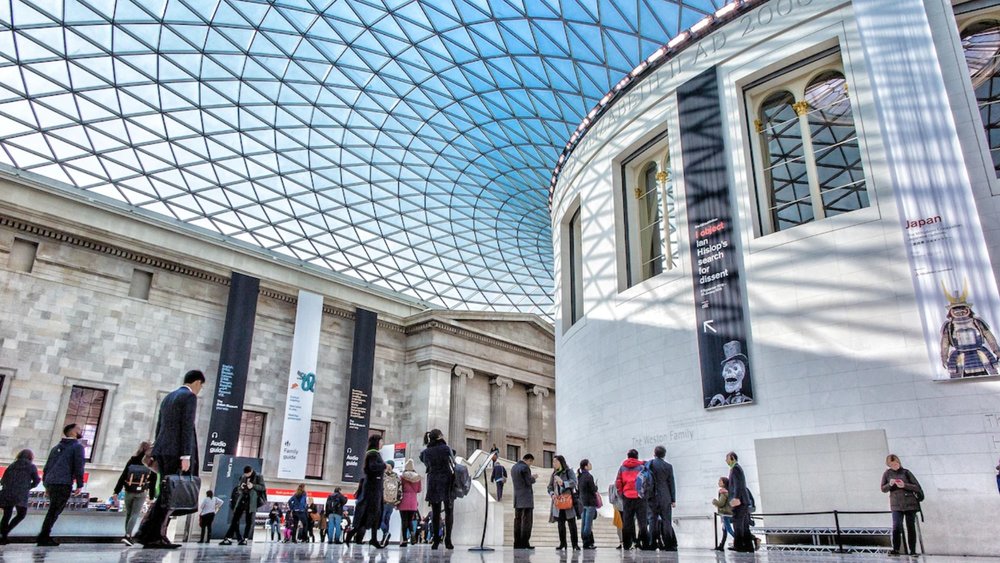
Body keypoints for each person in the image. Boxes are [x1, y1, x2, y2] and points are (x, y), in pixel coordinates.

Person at [135, 369, 204, 549]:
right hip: (176, 453)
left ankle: (152, 534)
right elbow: (187, 426)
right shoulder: (189, 397)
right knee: (169, 495)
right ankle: (150, 534)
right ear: (197, 382)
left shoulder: (169, 397)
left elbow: (160, 426)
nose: (200, 390)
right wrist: (186, 455)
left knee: (166, 493)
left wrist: (157, 448)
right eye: (201, 386)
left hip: (163, 450)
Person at [36, 423, 86, 547]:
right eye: (79, 429)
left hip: (51, 482)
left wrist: (46, 483)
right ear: (72, 431)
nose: (81, 431)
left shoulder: (56, 448)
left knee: (52, 509)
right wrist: (80, 484)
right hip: (63, 482)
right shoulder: (77, 447)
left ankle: (44, 535)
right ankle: (43, 536)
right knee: (55, 510)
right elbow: (79, 466)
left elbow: (47, 466)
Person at [113, 441, 154, 546]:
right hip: (142, 492)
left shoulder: (132, 459)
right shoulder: (150, 462)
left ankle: (128, 535)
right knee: (135, 514)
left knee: (129, 513)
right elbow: (153, 481)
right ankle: (127, 535)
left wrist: (116, 491)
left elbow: (123, 476)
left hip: (128, 491)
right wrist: (152, 496)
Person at [880, 454, 923, 556]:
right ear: (888, 465)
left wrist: (904, 485)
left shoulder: (906, 472)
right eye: (892, 465)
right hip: (896, 504)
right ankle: (896, 549)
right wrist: (890, 484)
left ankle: (912, 551)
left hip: (910, 504)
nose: (894, 466)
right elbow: (883, 489)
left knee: (910, 527)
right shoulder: (887, 474)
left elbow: (917, 487)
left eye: (896, 464)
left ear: (899, 462)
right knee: (896, 526)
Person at [419, 428, 454, 550]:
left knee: (435, 512)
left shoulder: (426, 451)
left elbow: (424, 461)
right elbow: (453, 458)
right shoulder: (446, 448)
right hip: (446, 480)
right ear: (440, 436)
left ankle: (436, 541)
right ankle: (448, 539)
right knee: (449, 511)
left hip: (433, 481)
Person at [0, 449, 40, 545]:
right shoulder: (31, 466)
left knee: (6, 515)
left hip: (7, 492)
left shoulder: (12, 465)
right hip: (21, 494)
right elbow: (36, 480)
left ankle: (3, 536)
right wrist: (28, 487)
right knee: (21, 514)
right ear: (30, 457)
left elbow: (3, 480)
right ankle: (5, 533)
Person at [354, 434, 387, 548]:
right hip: (373, 488)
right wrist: (384, 465)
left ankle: (373, 538)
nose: (382, 443)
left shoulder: (373, 453)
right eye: (381, 441)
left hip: (375, 487)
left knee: (375, 513)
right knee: (373, 512)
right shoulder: (373, 454)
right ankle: (370, 538)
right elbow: (373, 467)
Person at [221, 465, 266, 545]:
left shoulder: (258, 476)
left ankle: (245, 539)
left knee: (248, 521)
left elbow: (263, 488)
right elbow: (239, 488)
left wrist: (253, 486)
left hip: (251, 501)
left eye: (248, 474)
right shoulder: (243, 477)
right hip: (242, 499)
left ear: (251, 471)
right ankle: (228, 538)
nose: (246, 475)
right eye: (245, 474)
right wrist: (241, 487)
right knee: (235, 519)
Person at [615, 449, 648, 550]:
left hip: (627, 497)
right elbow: (646, 481)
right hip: (639, 497)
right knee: (642, 521)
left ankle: (627, 544)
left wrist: (622, 494)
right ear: (637, 456)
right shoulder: (641, 467)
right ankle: (644, 543)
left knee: (627, 522)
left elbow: (618, 482)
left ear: (628, 456)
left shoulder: (622, 468)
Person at [647, 445, 677, 551]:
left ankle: (652, 543)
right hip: (665, 496)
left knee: (652, 520)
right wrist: (673, 499)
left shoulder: (649, 464)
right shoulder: (668, 466)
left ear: (654, 453)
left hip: (652, 496)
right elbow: (671, 483)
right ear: (664, 455)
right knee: (666, 521)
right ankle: (668, 544)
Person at [547, 454, 579, 551]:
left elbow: (574, 482)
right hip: (558, 502)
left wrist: (563, 483)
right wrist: (552, 494)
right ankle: (562, 544)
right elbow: (549, 487)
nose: (554, 463)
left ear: (561, 462)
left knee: (572, 524)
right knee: (560, 524)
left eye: (555, 461)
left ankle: (575, 545)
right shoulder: (554, 474)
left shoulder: (568, 471)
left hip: (568, 501)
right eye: (553, 461)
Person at [726, 451, 753, 552]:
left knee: (738, 523)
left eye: (727, 458)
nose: (726, 460)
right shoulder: (736, 468)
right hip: (743, 500)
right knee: (744, 524)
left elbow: (738, 484)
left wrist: (736, 498)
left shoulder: (735, 469)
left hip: (740, 501)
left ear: (732, 458)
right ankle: (748, 546)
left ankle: (739, 546)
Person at [511, 452, 537, 549]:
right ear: (528, 460)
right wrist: (533, 478)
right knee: (527, 522)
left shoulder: (514, 467)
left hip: (517, 499)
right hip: (526, 499)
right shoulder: (525, 468)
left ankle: (517, 543)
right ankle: (525, 543)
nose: (530, 464)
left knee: (517, 521)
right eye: (531, 462)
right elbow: (528, 481)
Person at [399, 459, 422, 547]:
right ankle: (412, 533)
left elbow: (400, 488)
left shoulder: (402, 477)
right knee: (410, 520)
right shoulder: (417, 478)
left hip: (404, 500)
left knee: (404, 521)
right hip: (413, 501)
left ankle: (405, 540)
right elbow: (419, 490)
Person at [577, 459, 598, 550]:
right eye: (589, 463)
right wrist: (596, 487)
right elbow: (593, 489)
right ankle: (587, 542)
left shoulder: (580, 476)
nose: (591, 464)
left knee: (584, 523)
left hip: (583, 502)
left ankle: (585, 542)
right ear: (586, 466)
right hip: (590, 503)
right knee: (588, 524)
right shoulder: (589, 476)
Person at [380, 459, 401, 546]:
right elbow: (400, 490)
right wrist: (397, 501)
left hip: (383, 501)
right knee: (387, 520)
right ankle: (384, 540)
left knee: (379, 520)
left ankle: (386, 533)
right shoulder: (396, 477)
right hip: (392, 502)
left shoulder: (383, 475)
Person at [712, 477, 734, 551]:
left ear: (724, 483)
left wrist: (714, 501)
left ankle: (740, 542)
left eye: (720, 481)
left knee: (729, 530)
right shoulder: (727, 491)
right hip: (727, 513)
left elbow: (721, 504)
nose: (718, 482)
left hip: (725, 514)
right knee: (724, 530)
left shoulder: (723, 492)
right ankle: (721, 546)